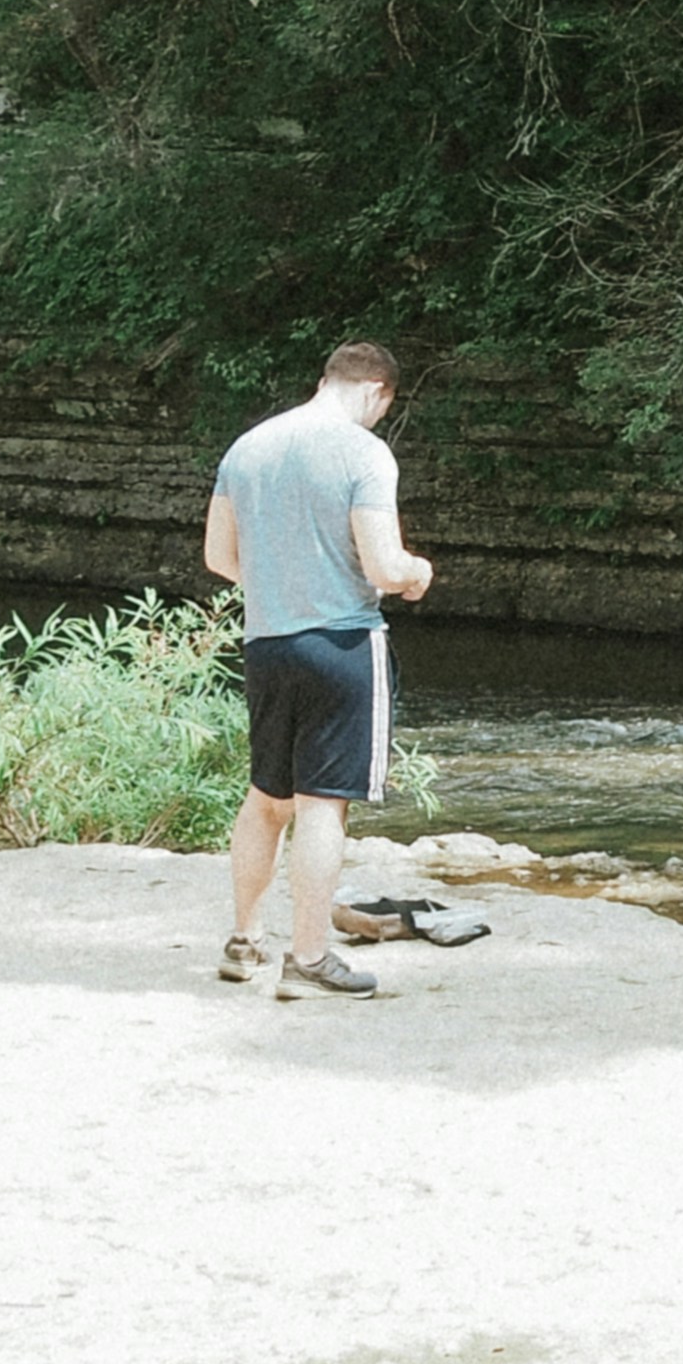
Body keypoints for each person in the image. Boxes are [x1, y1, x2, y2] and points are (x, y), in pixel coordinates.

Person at [199, 340, 434, 1001]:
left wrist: (279, 585)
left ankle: (244, 942)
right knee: (321, 803)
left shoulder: (247, 448)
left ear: (326, 378)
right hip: (342, 644)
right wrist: (418, 574)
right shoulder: (365, 452)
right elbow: (385, 567)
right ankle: (308, 957)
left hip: (267, 643)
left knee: (266, 798)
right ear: (376, 391)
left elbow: (219, 555)